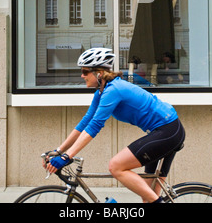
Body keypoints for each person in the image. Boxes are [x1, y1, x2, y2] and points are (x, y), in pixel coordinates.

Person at [44, 48, 185, 203]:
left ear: (98, 73)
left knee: (116, 166)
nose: (82, 76)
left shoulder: (113, 90)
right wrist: (59, 151)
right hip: (164, 131)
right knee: (148, 198)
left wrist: (67, 156)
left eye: (85, 71)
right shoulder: (102, 92)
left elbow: (94, 126)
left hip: (168, 131)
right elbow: (85, 122)